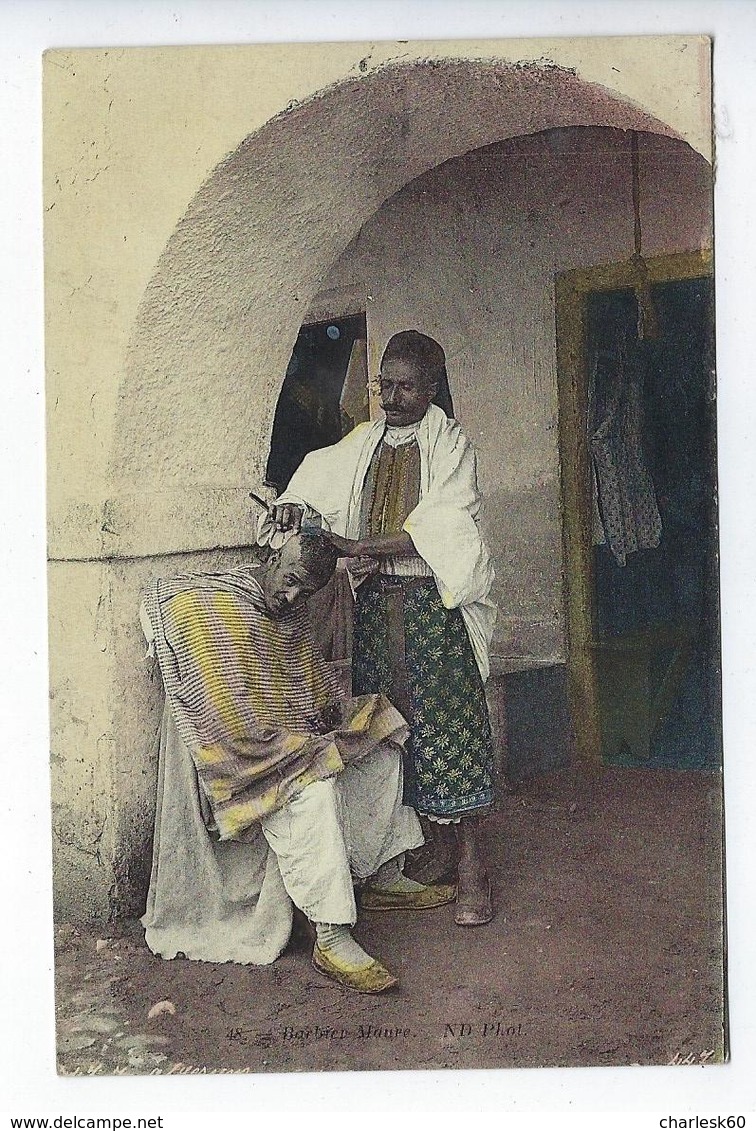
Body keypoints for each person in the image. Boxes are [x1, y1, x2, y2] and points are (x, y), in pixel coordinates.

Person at [140, 530, 454, 995]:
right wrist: (287, 740)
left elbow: (309, 689)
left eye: (305, 591)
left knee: (382, 742)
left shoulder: (295, 614)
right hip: (247, 751)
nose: (291, 597)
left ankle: (384, 874)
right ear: (272, 555)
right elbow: (161, 612)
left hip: (292, 736)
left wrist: (322, 723)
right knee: (315, 788)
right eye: (289, 581)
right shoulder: (213, 603)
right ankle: (330, 936)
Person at [268, 330, 497, 926]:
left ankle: (471, 866)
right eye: (384, 385)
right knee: (387, 728)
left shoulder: (451, 447)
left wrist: (356, 544)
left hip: (431, 606)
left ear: (431, 388)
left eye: (405, 387)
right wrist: (296, 505)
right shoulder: (362, 442)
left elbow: (443, 526)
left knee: (452, 725)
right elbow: (316, 483)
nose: (391, 398)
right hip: (374, 609)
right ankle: (417, 853)